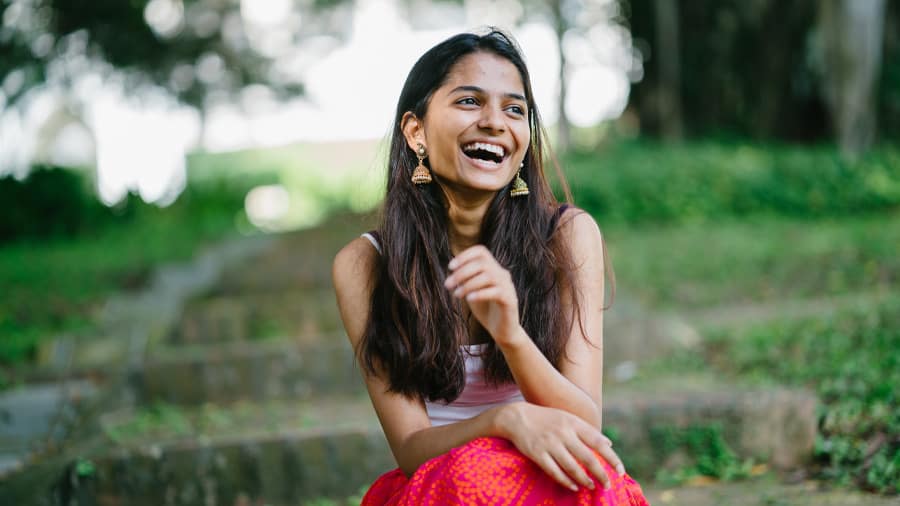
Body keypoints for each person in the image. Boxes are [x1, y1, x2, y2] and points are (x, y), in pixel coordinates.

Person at [332, 29, 649, 505]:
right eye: (469, 101)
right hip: (444, 486)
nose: (495, 122)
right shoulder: (365, 265)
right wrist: (504, 421)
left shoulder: (567, 236)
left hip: (549, 476)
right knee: (472, 478)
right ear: (415, 131)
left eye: (514, 109)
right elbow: (411, 449)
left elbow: (585, 426)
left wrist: (511, 334)